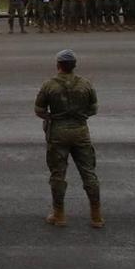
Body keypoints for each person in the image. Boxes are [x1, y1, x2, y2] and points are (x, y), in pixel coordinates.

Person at [34, 49, 100, 228]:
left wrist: (51, 117)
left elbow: (39, 110)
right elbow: (93, 108)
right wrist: (80, 115)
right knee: (88, 172)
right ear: (74, 66)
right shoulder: (85, 84)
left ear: (58, 66)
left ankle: (59, 213)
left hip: (58, 132)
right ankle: (96, 215)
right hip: (80, 131)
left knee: (58, 174)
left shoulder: (49, 85)